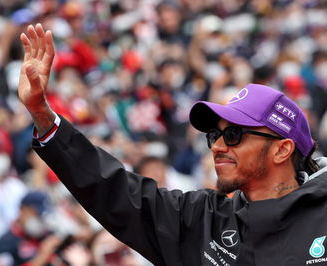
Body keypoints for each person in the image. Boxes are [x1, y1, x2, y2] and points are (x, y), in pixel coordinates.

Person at [18, 24, 327, 266]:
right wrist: (44, 117)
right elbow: (114, 191)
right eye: (214, 136)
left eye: (233, 135)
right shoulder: (201, 220)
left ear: (281, 149)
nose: (218, 146)